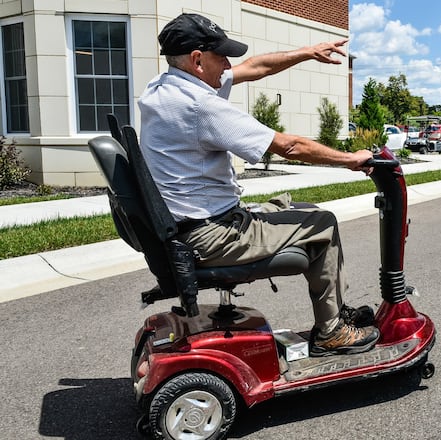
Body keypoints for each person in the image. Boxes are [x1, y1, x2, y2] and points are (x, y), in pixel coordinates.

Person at [138, 13, 378, 357]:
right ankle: (331, 331)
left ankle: (335, 311)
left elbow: (257, 67)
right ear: (196, 59)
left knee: (298, 208)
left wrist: (309, 52)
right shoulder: (199, 105)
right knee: (322, 223)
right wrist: (351, 159)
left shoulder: (163, 87)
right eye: (221, 55)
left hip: (190, 225)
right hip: (211, 233)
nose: (228, 64)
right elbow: (289, 146)